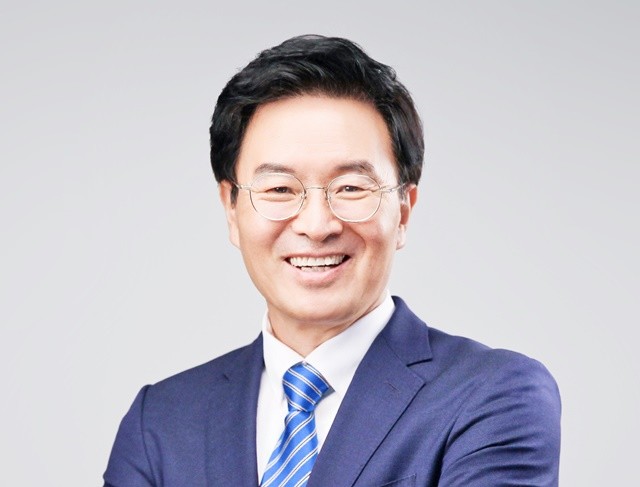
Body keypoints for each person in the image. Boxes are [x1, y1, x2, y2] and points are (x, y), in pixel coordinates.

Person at [103, 35, 561, 487]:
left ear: (403, 210)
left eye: (351, 188)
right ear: (231, 209)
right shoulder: (159, 423)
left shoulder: (493, 396)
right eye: (280, 189)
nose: (317, 225)